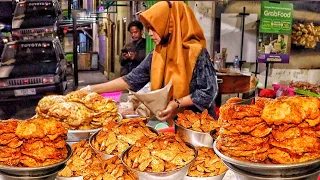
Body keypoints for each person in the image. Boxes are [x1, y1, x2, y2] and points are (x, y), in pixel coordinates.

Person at [83, 1, 218, 123]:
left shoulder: (196, 53)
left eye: (154, 28)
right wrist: (91, 89)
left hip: (199, 126)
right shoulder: (158, 53)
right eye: (148, 28)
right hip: (174, 123)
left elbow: (208, 92)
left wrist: (177, 103)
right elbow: (131, 79)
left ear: (170, 25)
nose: (150, 34)